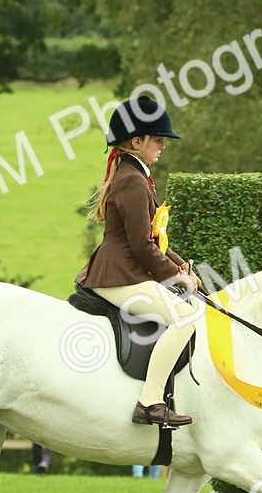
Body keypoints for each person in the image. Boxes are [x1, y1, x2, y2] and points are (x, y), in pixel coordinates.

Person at [76, 96, 201, 427]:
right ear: (137, 141)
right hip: (119, 275)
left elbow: (153, 236)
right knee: (185, 318)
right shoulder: (132, 180)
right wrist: (177, 277)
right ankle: (150, 402)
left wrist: (180, 265)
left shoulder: (136, 175)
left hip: (125, 271)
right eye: (158, 140)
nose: (162, 146)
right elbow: (142, 246)